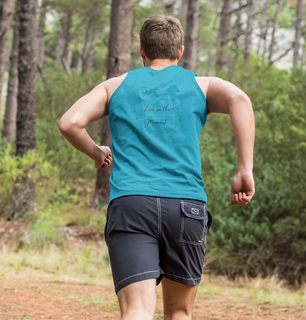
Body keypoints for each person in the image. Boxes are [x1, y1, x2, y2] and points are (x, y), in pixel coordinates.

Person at [59, 15, 255, 320]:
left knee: (137, 309)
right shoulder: (201, 85)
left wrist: (98, 154)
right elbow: (240, 100)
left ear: (141, 51)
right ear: (180, 51)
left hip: (131, 205)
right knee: (179, 312)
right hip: (186, 208)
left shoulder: (115, 86)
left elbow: (70, 123)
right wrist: (244, 170)